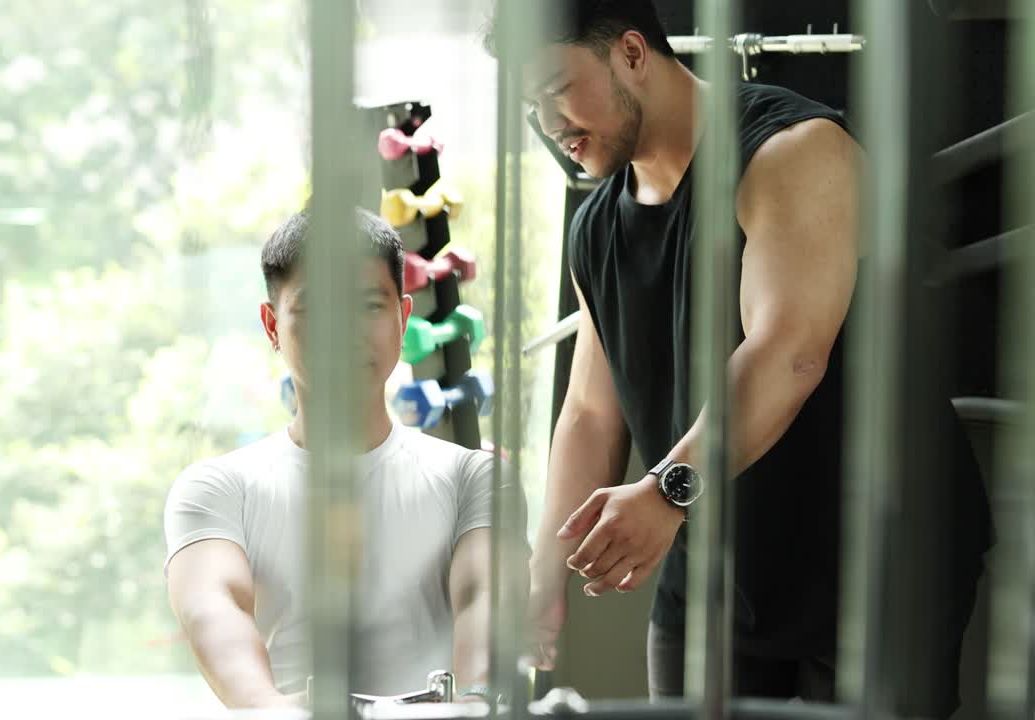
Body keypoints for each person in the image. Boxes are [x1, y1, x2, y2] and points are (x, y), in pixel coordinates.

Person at [492, 1, 993, 716]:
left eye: (555, 88)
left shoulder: (793, 150)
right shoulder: (595, 227)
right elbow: (591, 413)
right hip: (719, 577)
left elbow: (787, 353)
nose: (549, 122)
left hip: (878, 569)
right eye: (529, 104)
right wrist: (546, 570)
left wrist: (667, 491)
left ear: (633, 53)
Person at [163, 208, 497, 708]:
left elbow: (486, 596)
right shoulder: (217, 488)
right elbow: (213, 611)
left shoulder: (472, 478)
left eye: (367, 306)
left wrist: (472, 703)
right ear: (273, 325)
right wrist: (272, 711)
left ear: (403, 319)